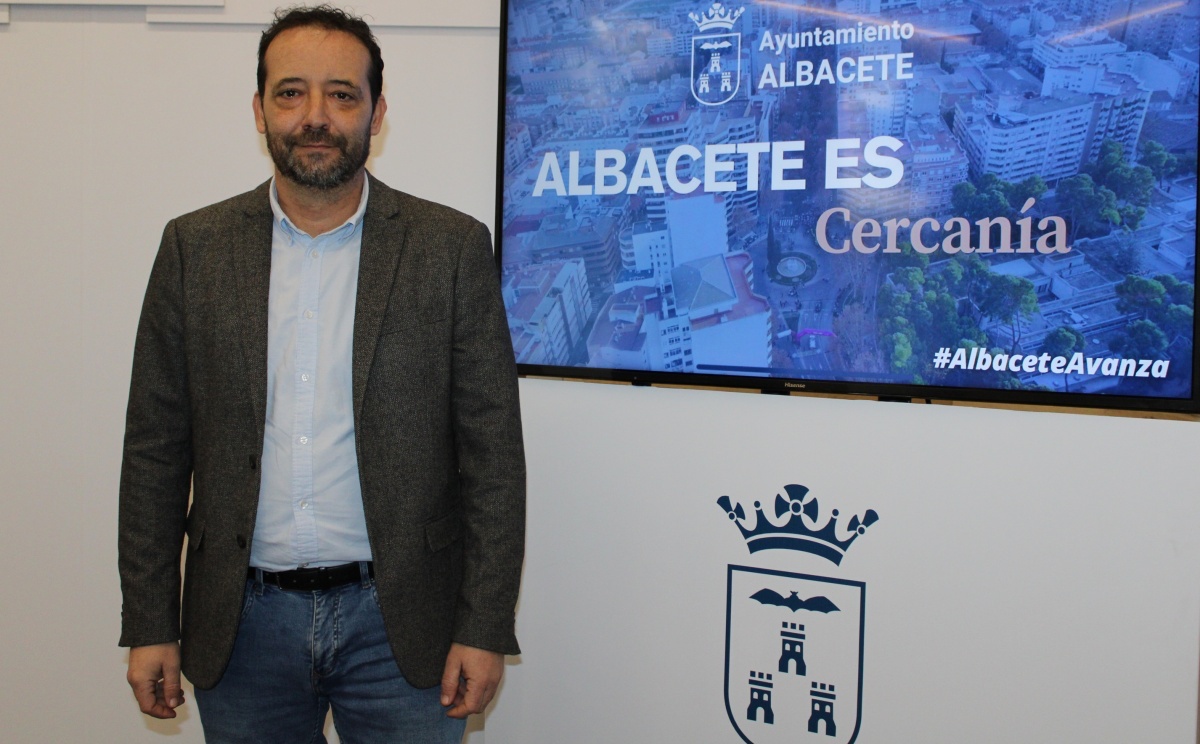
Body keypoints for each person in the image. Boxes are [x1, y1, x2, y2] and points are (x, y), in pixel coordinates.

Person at [117, 5, 525, 742]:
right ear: (259, 110)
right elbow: (154, 452)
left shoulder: (451, 248)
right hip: (241, 628)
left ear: (377, 113)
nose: (315, 117)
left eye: (341, 94)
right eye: (290, 93)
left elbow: (493, 459)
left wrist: (485, 624)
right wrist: (149, 622)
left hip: (404, 628)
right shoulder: (193, 249)